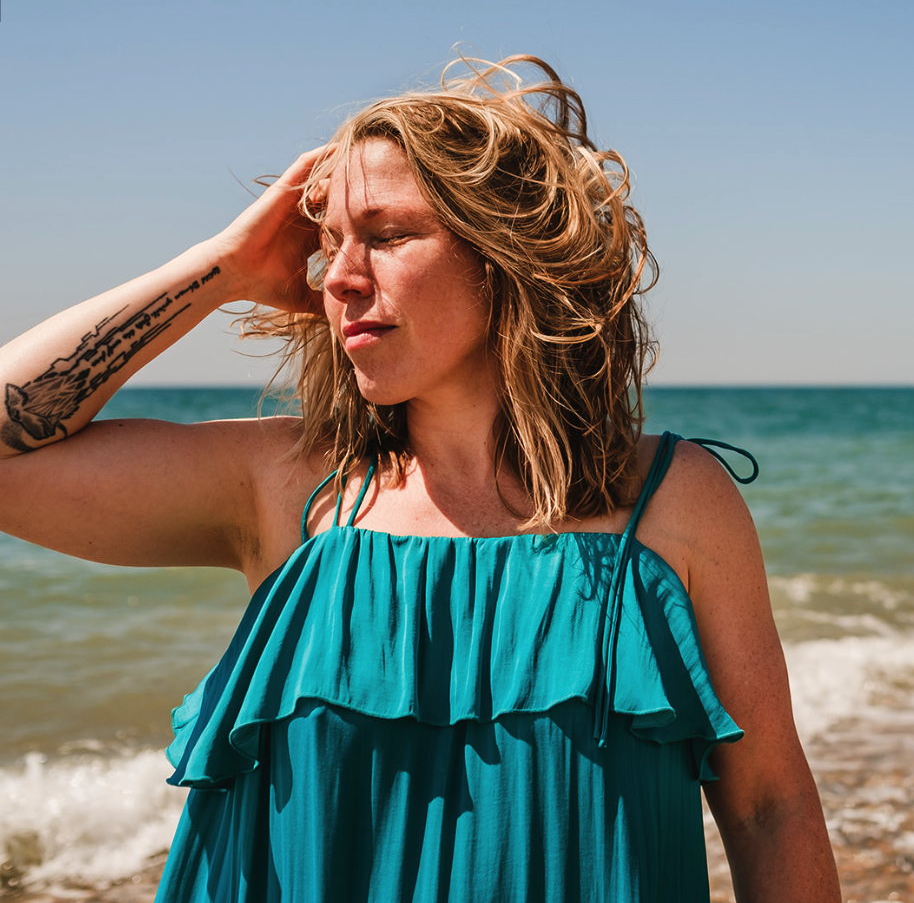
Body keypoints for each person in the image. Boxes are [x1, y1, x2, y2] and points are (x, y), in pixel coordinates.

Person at [0, 56, 840, 902]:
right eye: (327, 244)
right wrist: (224, 266)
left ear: (505, 254)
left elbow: (771, 807)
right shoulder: (288, 488)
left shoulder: (671, 501)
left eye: (389, 235)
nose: (338, 276)